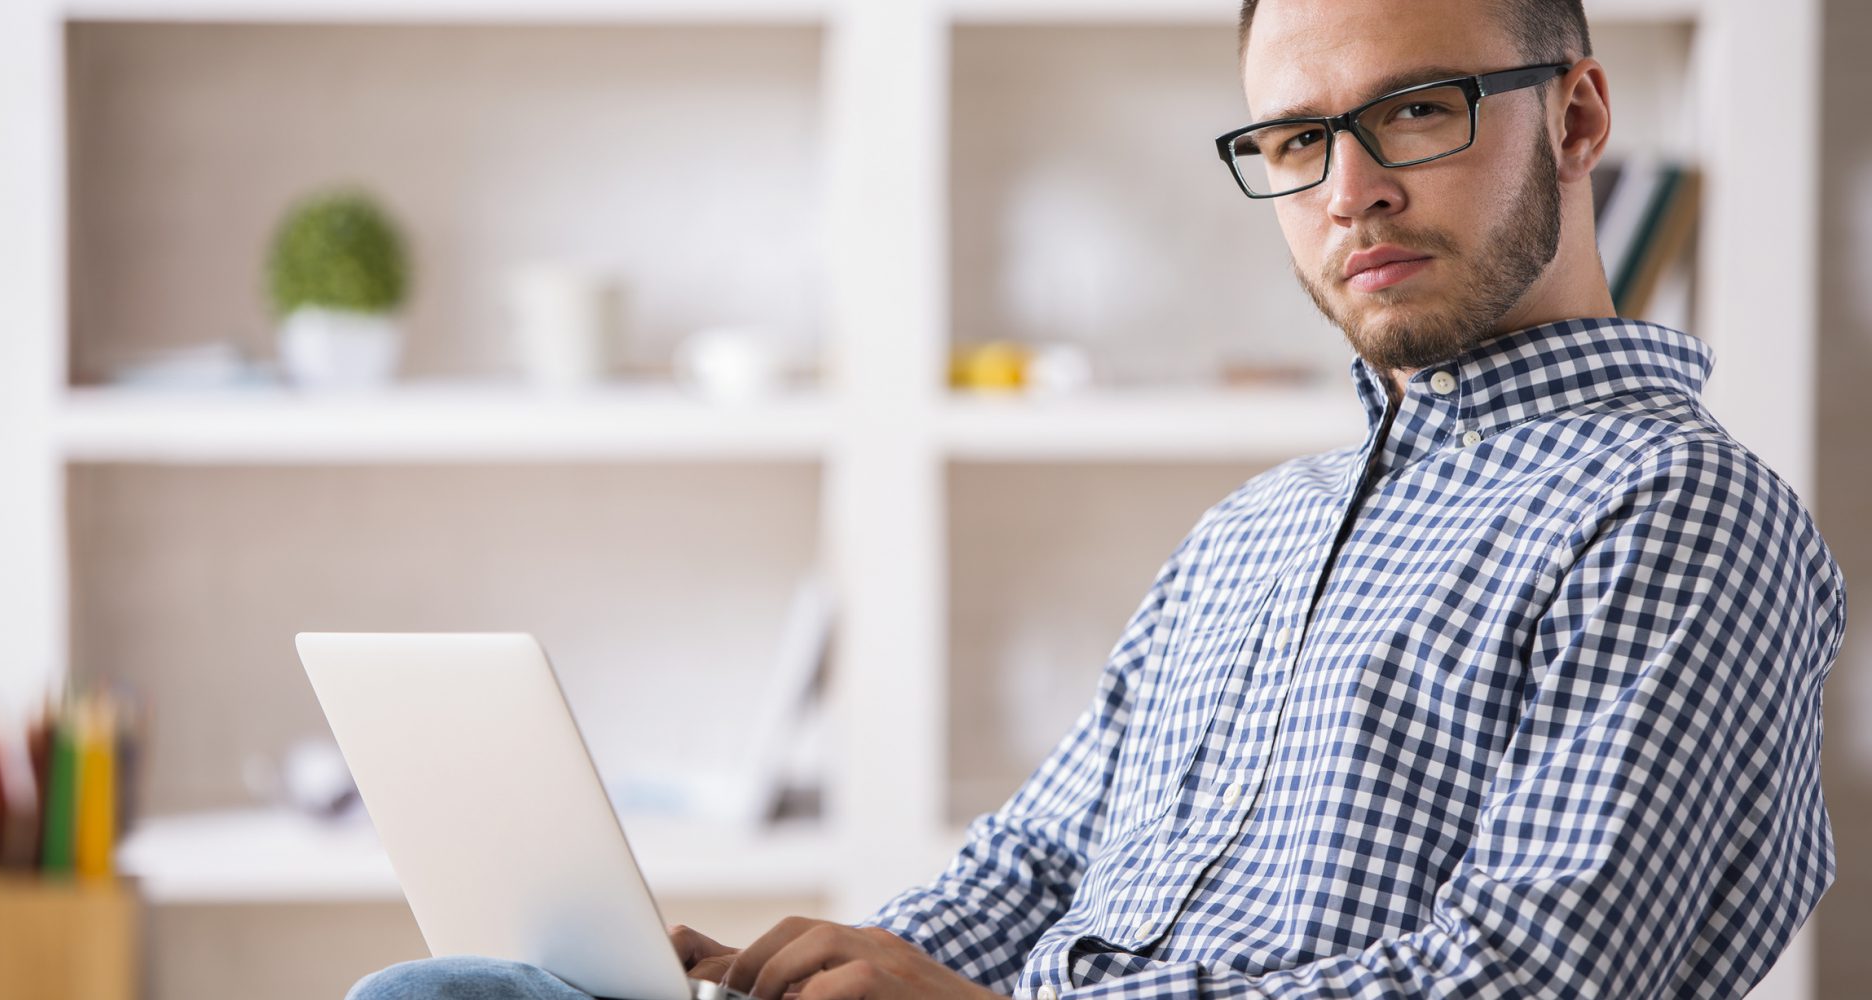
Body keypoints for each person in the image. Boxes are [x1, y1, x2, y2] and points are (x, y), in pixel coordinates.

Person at [346, 0, 1847, 996]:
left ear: (1578, 118)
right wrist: (852, 973)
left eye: (1419, 112)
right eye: (1295, 138)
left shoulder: (1679, 508)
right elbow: (1045, 858)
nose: (1348, 192)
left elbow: (1531, 976)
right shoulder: (1255, 532)